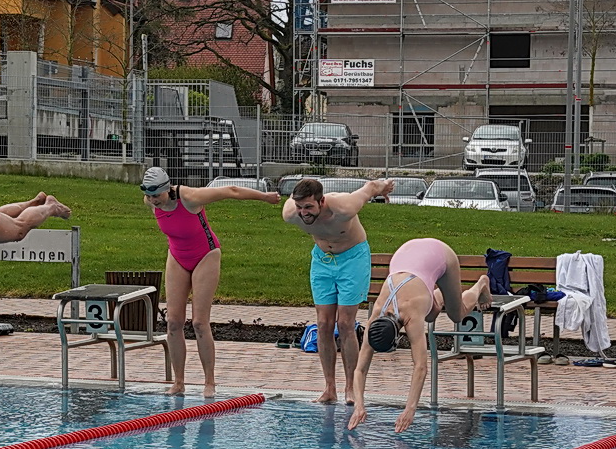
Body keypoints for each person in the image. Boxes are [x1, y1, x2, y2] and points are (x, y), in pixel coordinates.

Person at [140, 166, 278, 397]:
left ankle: (209, 382)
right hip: (177, 256)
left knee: (199, 323)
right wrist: (153, 200)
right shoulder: (150, 201)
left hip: (206, 255)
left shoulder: (191, 197)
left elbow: (231, 191)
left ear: (167, 189)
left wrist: (264, 197)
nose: (153, 200)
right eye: (149, 195)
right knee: (173, 322)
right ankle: (179, 382)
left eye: (157, 195)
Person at [348, 237, 490, 433]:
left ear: (398, 337)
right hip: (406, 252)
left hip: (439, 254)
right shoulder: (375, 317)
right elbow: (359, 370)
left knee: (456, 314)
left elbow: (421, 366)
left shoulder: (411, 316)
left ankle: (481, 285)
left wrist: (410, 409)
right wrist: (359, 405)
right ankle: (435, 295)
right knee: (431, 315)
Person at [283, 176, 394, 404]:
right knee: (323, 324)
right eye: (300, 207)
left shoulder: (343, 207)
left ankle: (351, 387)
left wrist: (384, 187)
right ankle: (329, 388)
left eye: (309, 207)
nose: (304, 212)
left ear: (321, 201)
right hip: (322, 260)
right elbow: (295, 209)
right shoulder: (290, 213)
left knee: (345, 323)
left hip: (352, 258)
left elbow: (369, 187)